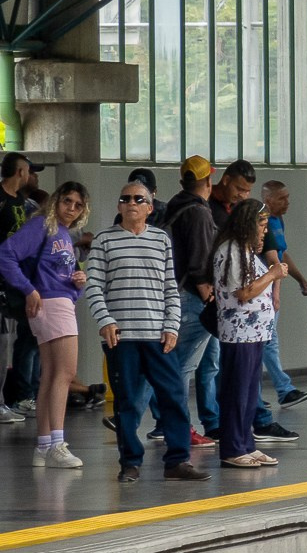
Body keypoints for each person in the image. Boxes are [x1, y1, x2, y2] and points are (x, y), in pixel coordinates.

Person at [86, 181, 206, 483]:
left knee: (174, 395)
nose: (131, 203)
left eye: (139, 199)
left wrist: (171, 326)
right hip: (121, 338)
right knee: (126, 401)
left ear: (149, 208)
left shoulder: (161, 240)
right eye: (125, 198)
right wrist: (106, 321)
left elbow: (170, 287)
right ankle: (130, 463)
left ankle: (177, 461)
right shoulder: (104, 240)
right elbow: (94, 286)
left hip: (158, 336)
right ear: (118, 206)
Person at [0, 180, 89, 467]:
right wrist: (29, 289)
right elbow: (6, 254)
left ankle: (44, 444)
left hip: (55, 302)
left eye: (78, 205)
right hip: (51, 305)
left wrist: (77, 283)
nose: (71, 209)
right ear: (56, 200)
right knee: (64, 373)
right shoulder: (41, 225)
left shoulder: (61, 231)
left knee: (52, 374)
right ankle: (56, 443)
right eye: (67, 202)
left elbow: (60, 277)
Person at [211, 198, 286, 470]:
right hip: (239, 333)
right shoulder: (230, 251)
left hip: (254, 333)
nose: (264, 231)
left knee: (249, 390)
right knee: (237, 391)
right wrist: (273, 274)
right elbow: (243, 292)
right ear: (247, 224)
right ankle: (232, 447)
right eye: (262, 225)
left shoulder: (245, 251)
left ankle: (246, 443)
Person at [160, 156, 219, 447]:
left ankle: (164, 422)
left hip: (174, 292)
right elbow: (199, 261)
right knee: (183, 366)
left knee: (174, 362)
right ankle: (181, 428)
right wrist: (208, 294)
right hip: (192, 297)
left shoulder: (175, 205)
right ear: (208, 181)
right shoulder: (198, 213)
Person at [258, 179, 307, 410]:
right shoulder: (263, 223)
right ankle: (283, 389)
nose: (288, 202)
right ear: (268, 200)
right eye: (282, 198)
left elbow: (282, 254)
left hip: (272, 288)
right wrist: (275, 293)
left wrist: (300, 278)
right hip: (263, 290)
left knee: (266, 342)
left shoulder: (278, 221)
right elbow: (272, 262)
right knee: (266, 342)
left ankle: (274, 391)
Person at [0, 152, 45, 423]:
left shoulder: (26, 204)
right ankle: (17, 396)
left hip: (18, 281)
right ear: (20, 172)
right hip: (4, 280)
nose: (31, 175)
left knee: (32, 331)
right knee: (6, 341)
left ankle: (24, 394)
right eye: (29, 170)